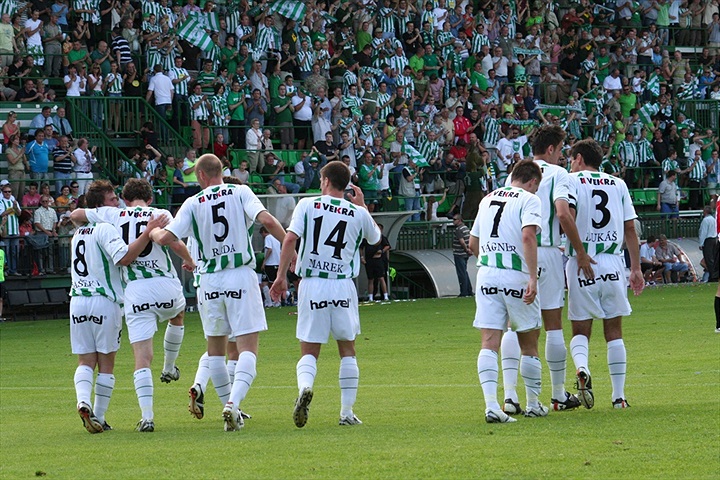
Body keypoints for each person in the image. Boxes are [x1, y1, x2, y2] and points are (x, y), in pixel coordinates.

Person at [151, 154, 286, 432]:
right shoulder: (241, 191)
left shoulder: (191, 202)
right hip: (239, 275)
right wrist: (290, 248)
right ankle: (232, 404)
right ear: (221, 171)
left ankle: (228, 409)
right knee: (247, 348)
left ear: (200, 176)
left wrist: (153, 233)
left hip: (209, 281)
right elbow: (268, 220)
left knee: (216, 351)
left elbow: (166, 238)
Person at [71, 178, 194, 432]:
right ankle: (170, 367)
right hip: (161, 285)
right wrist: (189, 260)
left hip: (128, 293)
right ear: (149, 199)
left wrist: (86, 212)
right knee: (178, 314)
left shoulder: (112, 216)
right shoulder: (159, 213)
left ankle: (147, 417)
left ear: (125, 200)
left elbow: (76, 214)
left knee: (140, 359)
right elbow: (172, 241)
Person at [269, 161, 381, 428]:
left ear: (327, 181)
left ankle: (305, 388)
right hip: (343, 285)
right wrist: (363, 205)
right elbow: (375, 238)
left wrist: (281, 276)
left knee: (309, 348)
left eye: (321, 179)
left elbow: (289, 239)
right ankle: (346, 412)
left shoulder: (307, 205)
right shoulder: (358, 213)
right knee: (348, 349)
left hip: (313, 283)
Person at [500, 126, 592, 415]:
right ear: (551, 148)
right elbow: (563, 213)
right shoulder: (558, 174)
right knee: (552, 324)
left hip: (516, 254)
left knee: (513, 325)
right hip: (548, 252)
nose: (563, 155)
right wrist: (579, 251)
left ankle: (511, 396)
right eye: (562, 149)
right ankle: (556, 394)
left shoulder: (517, 172)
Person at [566, 138, 644, 411]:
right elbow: (630, 229)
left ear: (578, 159)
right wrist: (635, 268)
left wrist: (578, 252)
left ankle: (583, 368)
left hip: (582, 259)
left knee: (580, 327)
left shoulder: (571, 181)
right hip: (613, 262)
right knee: (614, 330)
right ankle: (619, 397)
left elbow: (568, 217)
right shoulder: (618, 184)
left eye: (571, 159)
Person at [469, 160, 545, 423]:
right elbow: (528, 237)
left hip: (487, 274)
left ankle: (492, 405)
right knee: (529, 341)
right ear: (533, 181)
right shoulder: (529, 199)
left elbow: (473, 242)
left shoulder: (487, 198)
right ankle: (533, 403)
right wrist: (533, 278)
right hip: (516, 276)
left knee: (489, 341)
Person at [361, 224, 391, 302]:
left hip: (378, 260)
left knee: (381, 278)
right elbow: (361, 247)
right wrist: (362, 257)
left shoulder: (381, 237)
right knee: (371, 279)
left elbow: (387, 246)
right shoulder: (367, 238)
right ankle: (370, 297)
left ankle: (385, 296)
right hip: (369, 260)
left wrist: (382, 251)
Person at [451, 214, 473, 297]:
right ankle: (469, 290)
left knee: (461, 274)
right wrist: (469, 250)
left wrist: (466, 249)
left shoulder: (458, 229)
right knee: (464, 272)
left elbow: (462, 241)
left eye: (454, 219)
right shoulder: (466, 228)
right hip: (465, 254)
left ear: (459, 220)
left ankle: (464, 292)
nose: (453, 221)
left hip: (459, 253)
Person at [699, 205, 718, 282]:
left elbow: (703, 232)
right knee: (713, 258)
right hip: (714, 239)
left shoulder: (705, 220)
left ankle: (713, 276)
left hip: (708, 240)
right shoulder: (714, 219)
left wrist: (701, 243)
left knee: (708, 259)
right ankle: (714, 275)